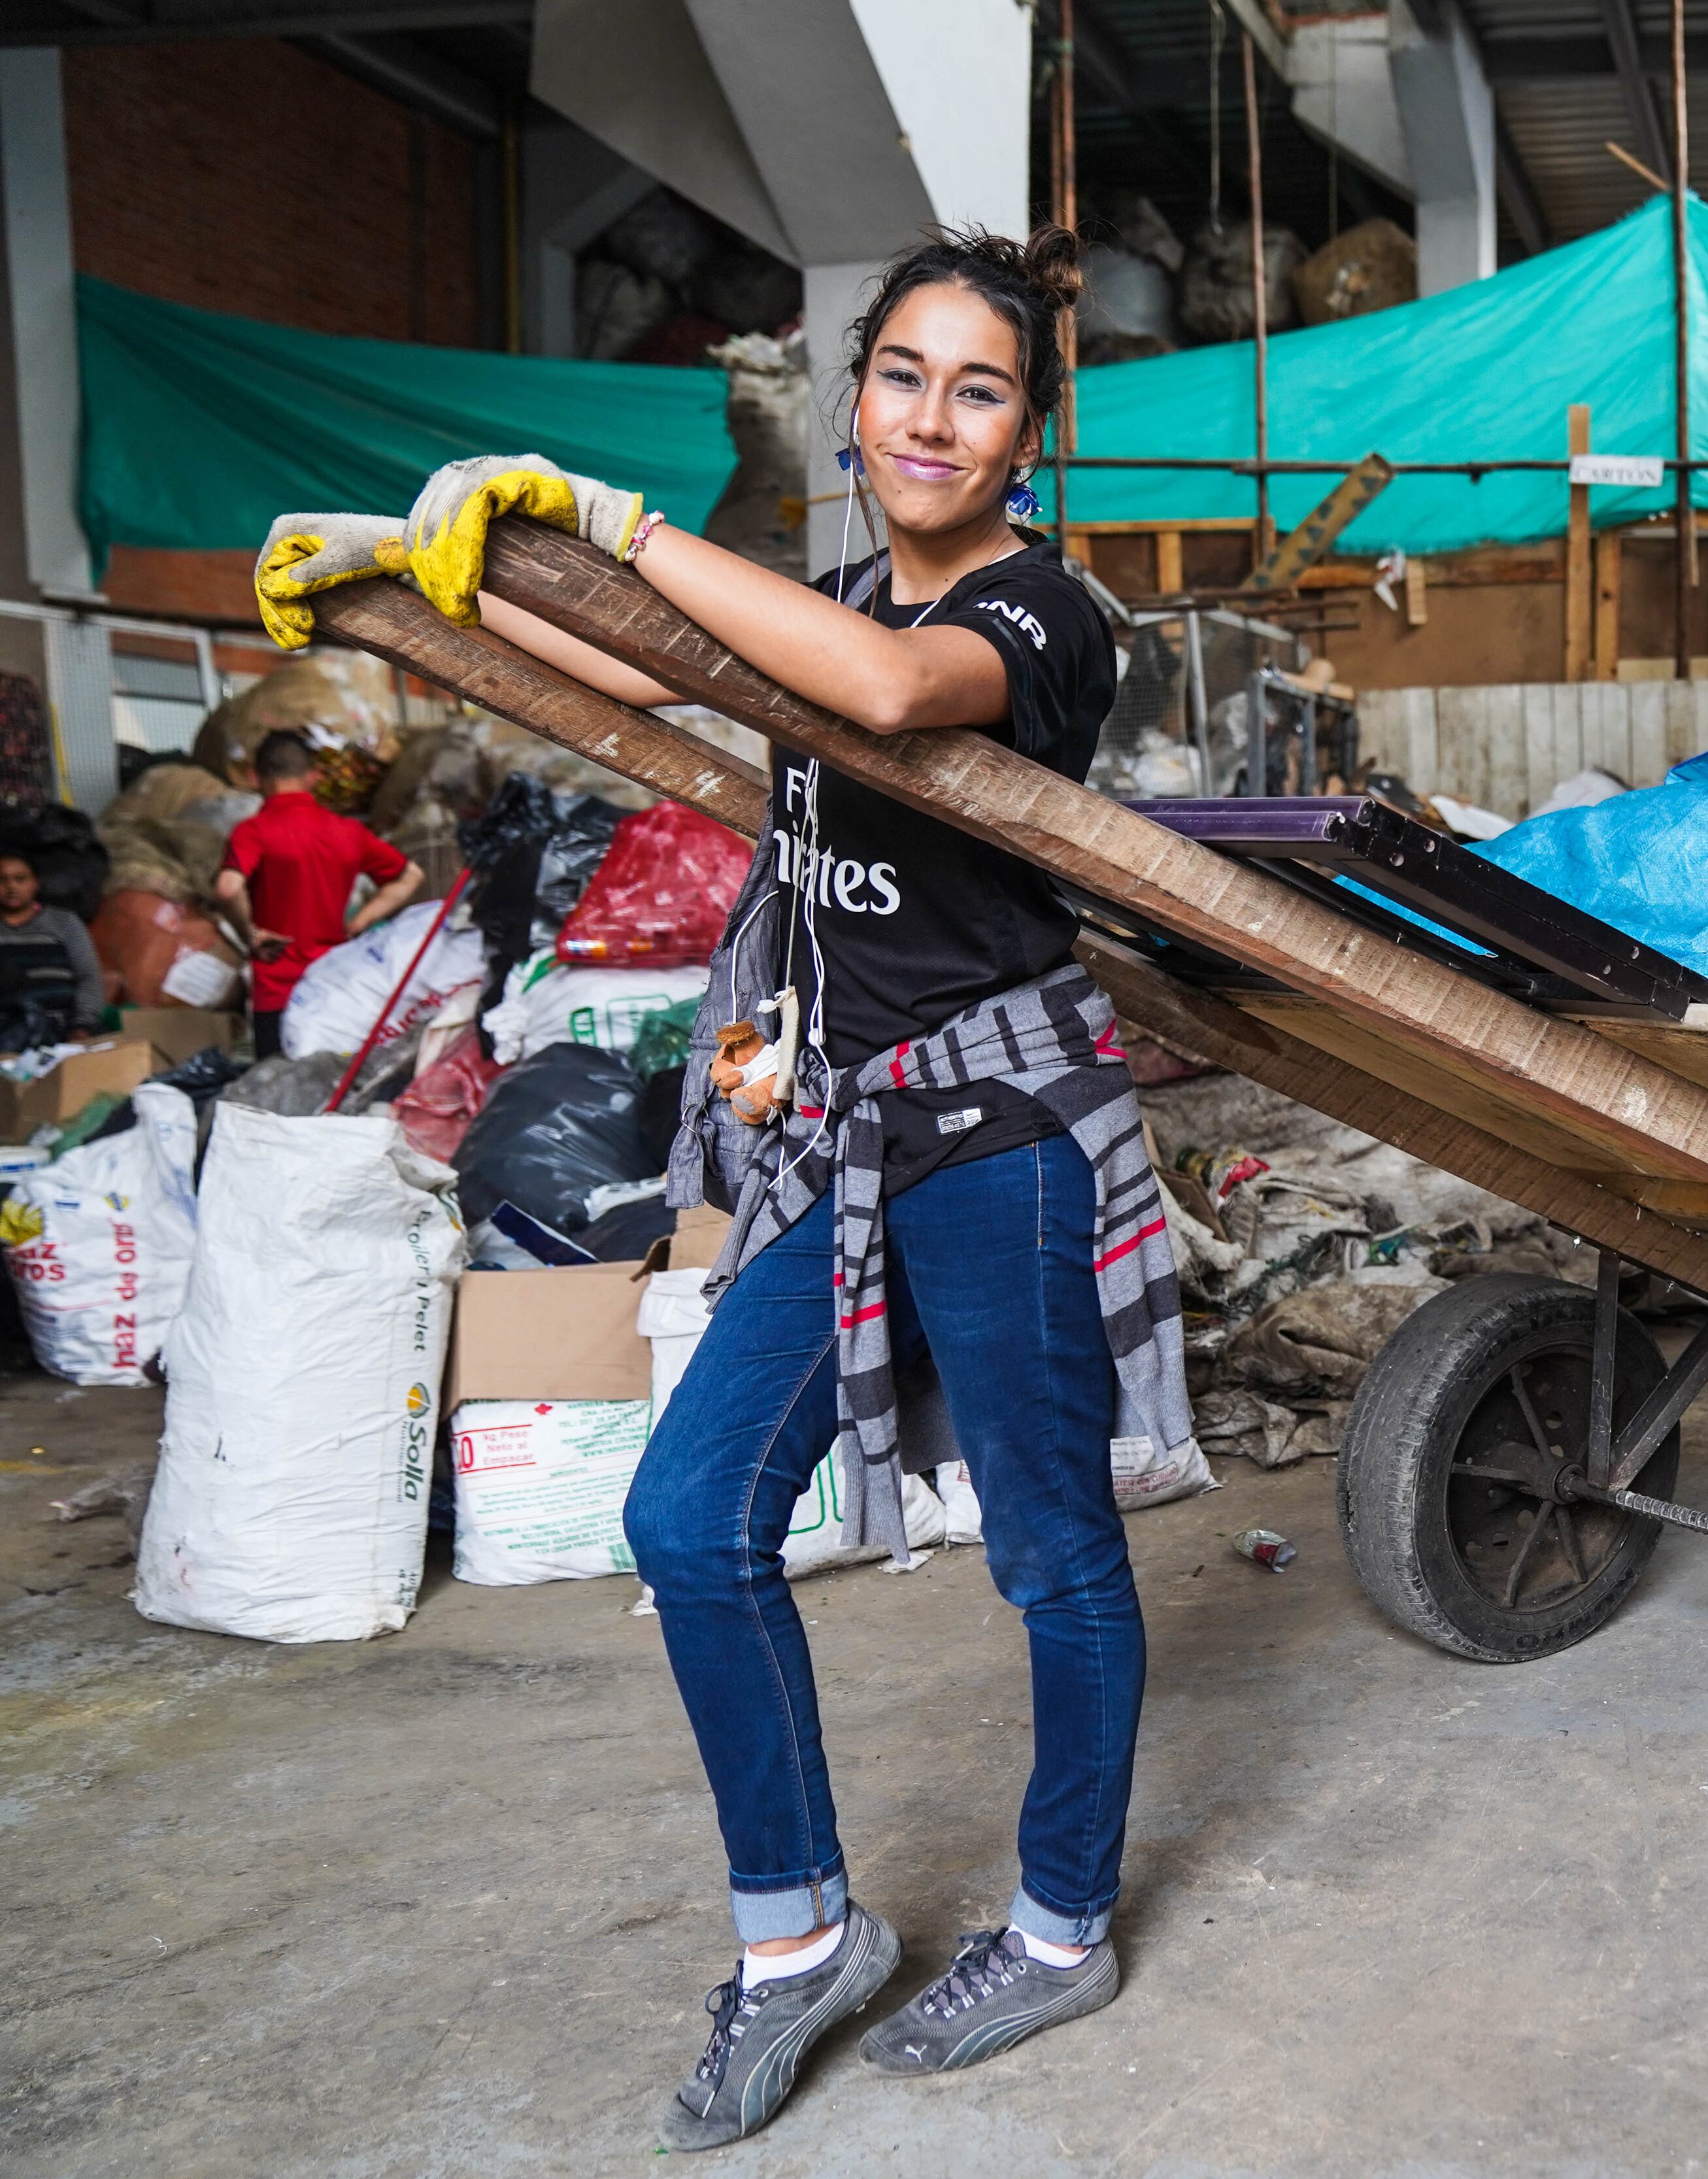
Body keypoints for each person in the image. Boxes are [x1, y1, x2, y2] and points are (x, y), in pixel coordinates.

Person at [368, 226, 1196, 2154]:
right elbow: (651, 670)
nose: (930, 415)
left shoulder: (1045, 619)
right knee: (685, 1518)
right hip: (842, 1142)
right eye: (900, 374)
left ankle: (1066, 1924)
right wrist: (423, 584)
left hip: (998, 1139)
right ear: (856, 399)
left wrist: (626, 522)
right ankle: (796, 1936)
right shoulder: (821, 593)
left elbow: (897, 695)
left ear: (1026, 435)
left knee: (1053, 1550)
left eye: (977, 387)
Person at [214, 730, 418, 1055]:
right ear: (313, 777)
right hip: (334, 986)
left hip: (278, 994)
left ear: (256, 777)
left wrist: (251, 935)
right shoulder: (348, 831)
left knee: (276, 1094)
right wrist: (361, 921)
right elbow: (410, 876)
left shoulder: (254, 831)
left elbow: (228, 888)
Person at [0, 852, 102, 1049]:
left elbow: (89, 978)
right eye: (2, 880)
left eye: (20, 879)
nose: (11, 887)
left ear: (35, 883)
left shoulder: (64, 923)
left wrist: (82, 1026)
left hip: (65, 1034)